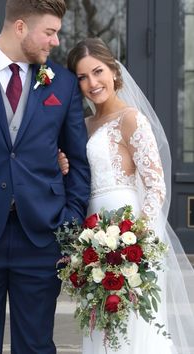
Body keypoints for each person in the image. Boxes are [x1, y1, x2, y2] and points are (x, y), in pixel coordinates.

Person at [0, 1, 91, 353]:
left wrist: (71, 221)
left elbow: (78, 161)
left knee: (35, 346)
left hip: (41, 237)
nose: (57, 42)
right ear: (20, 28)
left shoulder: (61, 83)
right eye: (49, 32)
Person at [58, 37, 194, 354]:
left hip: (129, 240)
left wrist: (136, 240)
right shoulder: (83, 125)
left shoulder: (131, 119)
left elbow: (155, 185)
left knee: (133, 329)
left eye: (97, 71)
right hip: (93, 237)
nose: (92, 83)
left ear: (114, 71)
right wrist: (62, 164)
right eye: (82, 77)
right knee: (100, 329)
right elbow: (78, 176)